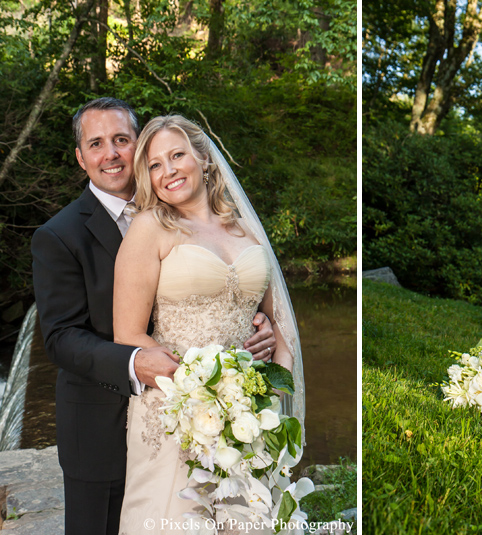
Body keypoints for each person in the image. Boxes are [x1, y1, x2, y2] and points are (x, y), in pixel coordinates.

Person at [31, 98, 276, 535]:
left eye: (121, 140)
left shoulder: (186, 212)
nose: (111, 154)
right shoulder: (59, 235)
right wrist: (132, 361)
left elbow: (221, 284)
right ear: (81, 157)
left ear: (138, 145)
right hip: (102, 424)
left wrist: (258, 321)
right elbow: (61, 337)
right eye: (97, 143)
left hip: (209, 416)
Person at [112, 115, 305, 534]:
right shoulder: (149, 229)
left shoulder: (247, 231)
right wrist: (201, 394)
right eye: (155, 165)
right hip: (175, 413)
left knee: (246, 518)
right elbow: (128, 335)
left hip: (248, 412)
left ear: (204, 158)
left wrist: (274, 385)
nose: (168, 171)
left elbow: (279, 323)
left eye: (177, 155)